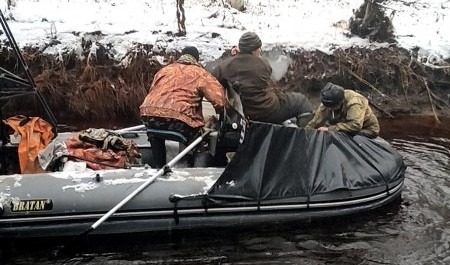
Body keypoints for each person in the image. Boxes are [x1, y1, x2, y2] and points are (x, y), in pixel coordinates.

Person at [140, 46, 226, 168]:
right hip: (179, 119)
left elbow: (153, 91)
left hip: (149, 115)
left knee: (155, 136)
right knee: (200, 142)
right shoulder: (200, 73)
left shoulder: (164, 70)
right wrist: (220, 113)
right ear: (197, 59)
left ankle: (158, 167)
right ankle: (196, 171)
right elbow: (220, 100)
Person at [212, 32, 313, 127]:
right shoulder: (263, 64)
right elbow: (269, 80)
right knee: (301, 101)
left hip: (240, 114)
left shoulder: (223, 67)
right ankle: (304, 136)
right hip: (266, 111)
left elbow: (214, 82)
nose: (260, 50)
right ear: (254, 49)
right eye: (259, 48)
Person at [306, 82, 380, 138]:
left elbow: (355, 126)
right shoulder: (328, 102)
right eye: (327, 106)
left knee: (341, 135)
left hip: (365, 129)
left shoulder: (354, 102)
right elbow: (315, 122)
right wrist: (305, 132)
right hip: (342, 123)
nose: (329, 109)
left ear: (340, 103)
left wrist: (329, 129)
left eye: (331, 107)